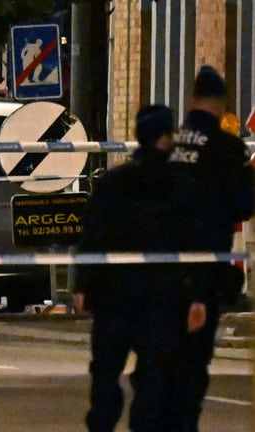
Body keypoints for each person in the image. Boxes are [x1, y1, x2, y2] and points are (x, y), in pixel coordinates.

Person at [75, 104, 210, 431]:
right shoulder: (185, 185)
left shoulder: (112, 183)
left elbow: (92, 237)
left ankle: (102, 422)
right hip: (164, 297)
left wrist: (82, 286)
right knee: (154, 375)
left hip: (114, 295)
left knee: (106, 369)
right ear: (167, 137)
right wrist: (199, 296)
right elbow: (199, 245)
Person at [167, 65, 255, 431]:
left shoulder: (167, 144)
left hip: (159, 272)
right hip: (204, 273)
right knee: (193, 364)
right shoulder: (227, 149)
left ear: (191, 100)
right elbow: (242, 206)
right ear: (221, 105)